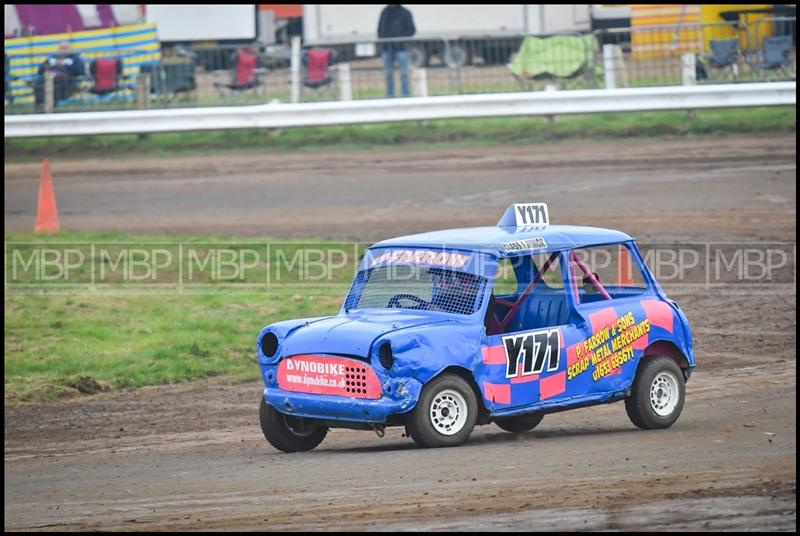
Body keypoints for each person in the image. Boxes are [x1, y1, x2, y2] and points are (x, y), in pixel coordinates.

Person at [377, 4, 415, 98]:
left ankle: (405, 95)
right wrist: (383, 41)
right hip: (387, 48)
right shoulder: (385, 12)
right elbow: (380, 28)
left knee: (404, 74)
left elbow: (411, 30)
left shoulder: (405, 12)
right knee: (389, 74)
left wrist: (401, 39)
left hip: (401, 48)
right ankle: (390, 96)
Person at [34, 41, 85, 108]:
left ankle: (51, 105)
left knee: (56, 81)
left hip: (67, 83)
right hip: (50, 78)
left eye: (65, 48)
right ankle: (41, 105)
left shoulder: (75, 58)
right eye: (61, 48)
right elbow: (40, 70)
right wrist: (46, 66)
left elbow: (81, 71)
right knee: (38, 82)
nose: (63, 50)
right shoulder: (53, 58)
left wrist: (65, 65)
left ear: (70, 49)